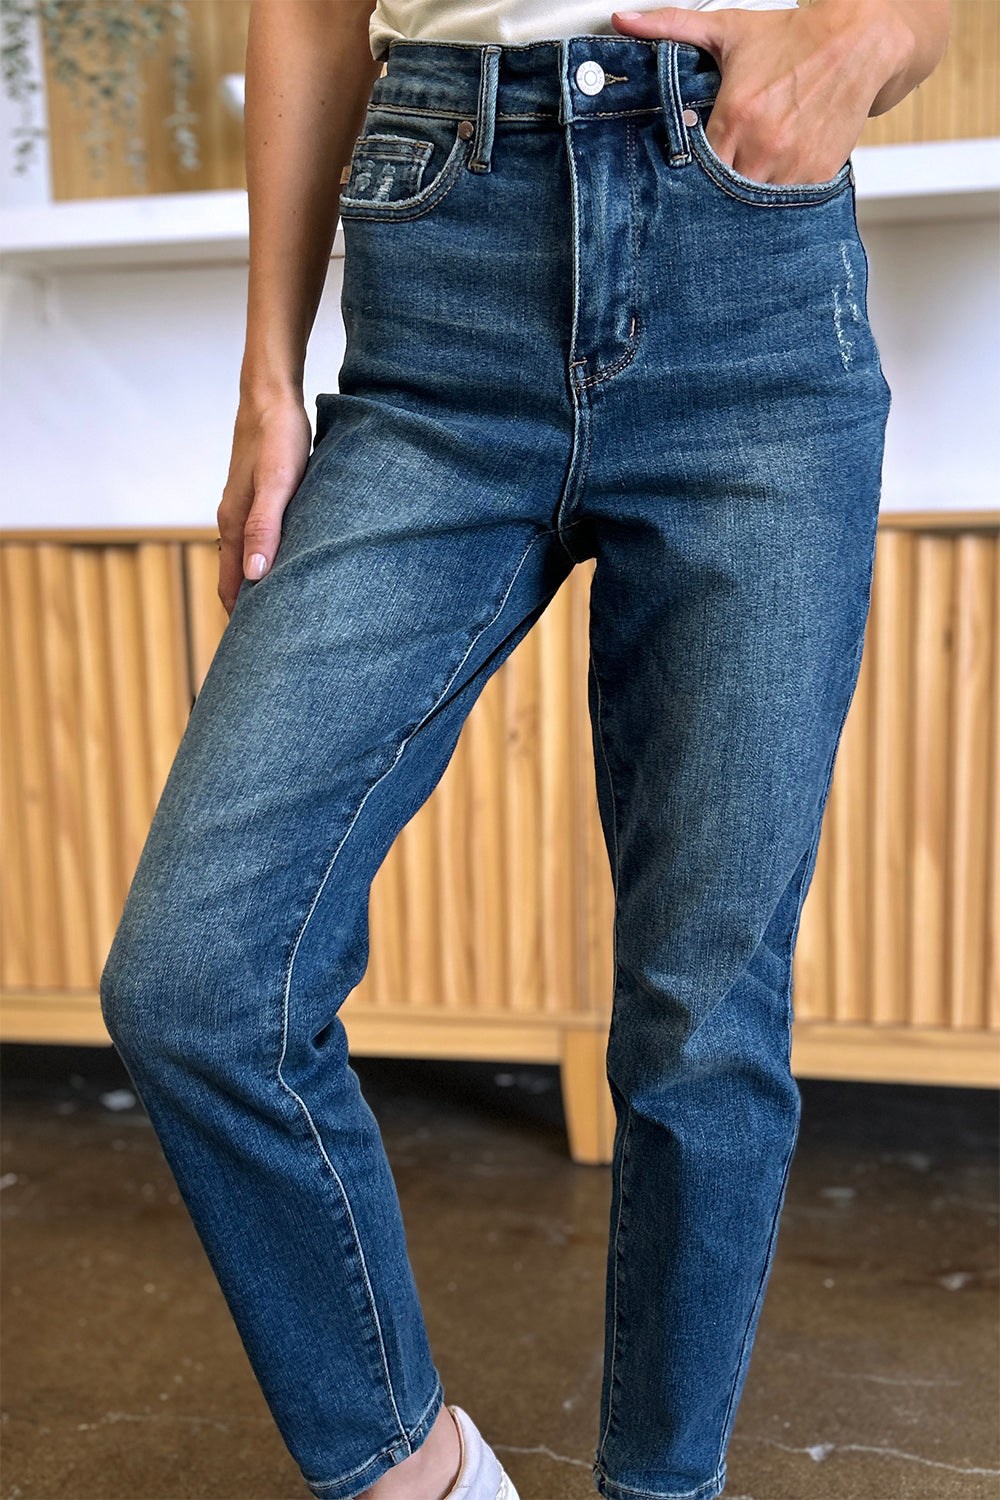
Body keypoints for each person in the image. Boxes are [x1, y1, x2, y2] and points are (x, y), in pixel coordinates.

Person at [99, 2, 950, 1498]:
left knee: (706, 1016)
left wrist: (865, 34)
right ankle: (413, 1472)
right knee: (196, 971)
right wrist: (265, 380)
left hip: (745, 273)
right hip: (439, 281)